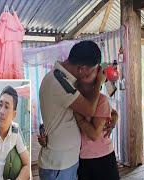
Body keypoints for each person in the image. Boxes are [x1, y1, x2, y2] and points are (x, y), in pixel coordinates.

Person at [39, 40, 118, 180]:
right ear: (82, 69)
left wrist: (114, 116)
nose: (97, 75)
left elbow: (103, 107)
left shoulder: (67, 80)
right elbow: (89, 110)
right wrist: (99, 82)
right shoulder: (61, 82)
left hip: (71, 161)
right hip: (60, 164)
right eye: (94, 70)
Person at [74, 76, 120, 180]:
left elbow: (94, 135)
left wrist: (79, 118)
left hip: (103, 156)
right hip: (83, 157)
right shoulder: (74, 100)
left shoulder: (101, 99)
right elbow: (113, 113)